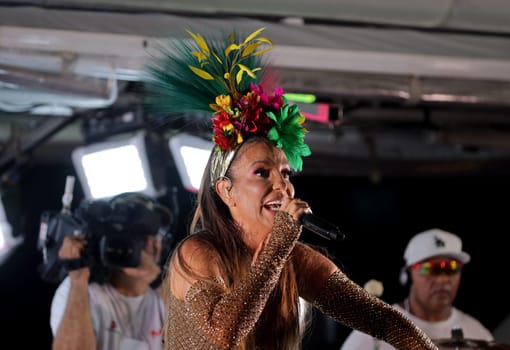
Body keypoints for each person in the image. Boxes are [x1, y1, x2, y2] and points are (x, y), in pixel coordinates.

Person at [145, 27, 439, 349]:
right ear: (226, 191)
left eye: (286, 174)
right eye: (262, 173)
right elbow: (224, 334)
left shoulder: (293, 259)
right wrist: (280, 244)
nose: (282, 185)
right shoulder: (199, 254)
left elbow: (383, 320)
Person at [49, 193, 173, 350]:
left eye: (156, 233)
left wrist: (157, 278)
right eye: (140, 232)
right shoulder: (78, 288)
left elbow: (199, 336)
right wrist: (78, 281)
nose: (151, 242)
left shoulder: (169, 284)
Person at [340, 228, 494, 350]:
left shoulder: (478, 334)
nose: (442, 279)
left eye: (451, 268)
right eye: (430, 269)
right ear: (407, 275)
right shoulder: (377, 329)